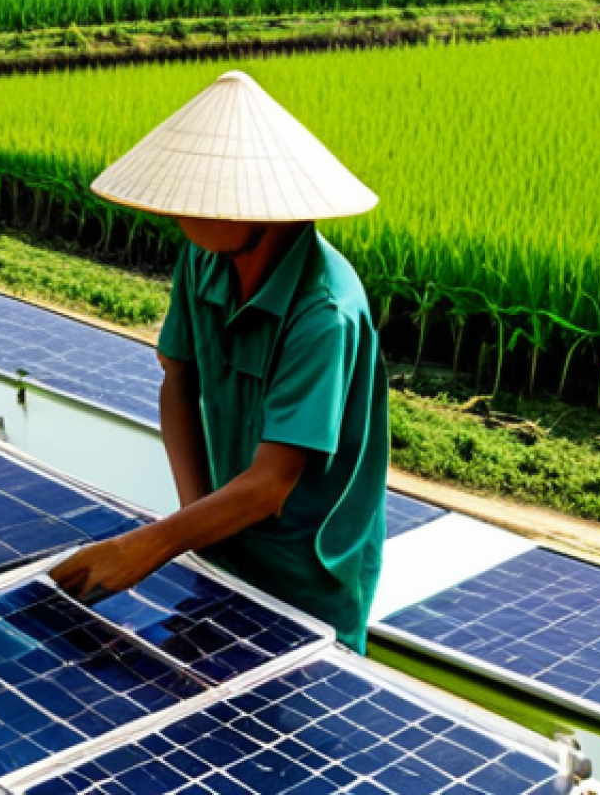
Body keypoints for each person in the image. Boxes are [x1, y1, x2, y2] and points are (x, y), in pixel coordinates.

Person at [52, 70, 389, 652]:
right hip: (217, 533)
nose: (181, 214)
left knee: (285, 717)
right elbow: (178, 380)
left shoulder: (322, 313)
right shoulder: (203, 259)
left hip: (302, 569)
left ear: (260, 206)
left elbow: (270, 486)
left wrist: (152, 544)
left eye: (202, 200)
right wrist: (195, 521)